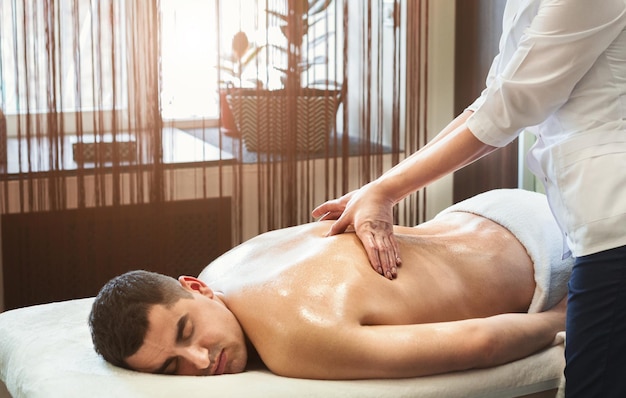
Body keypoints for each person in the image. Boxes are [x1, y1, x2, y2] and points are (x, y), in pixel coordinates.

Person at [312, 1, 626, 396]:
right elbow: (491, 100)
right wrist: (377, 188)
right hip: (585, 220)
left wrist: (386, 191)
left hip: (614, 220)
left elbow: (511, 105)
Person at [90, 189, 571, 380]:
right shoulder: (225, 268)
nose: (200, 361)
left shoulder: (293, 340)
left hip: (548, 254)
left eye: (186, 332)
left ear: (194, 289)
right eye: (172, 369)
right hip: (486, 208)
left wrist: (563, 317)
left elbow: (480, 342)